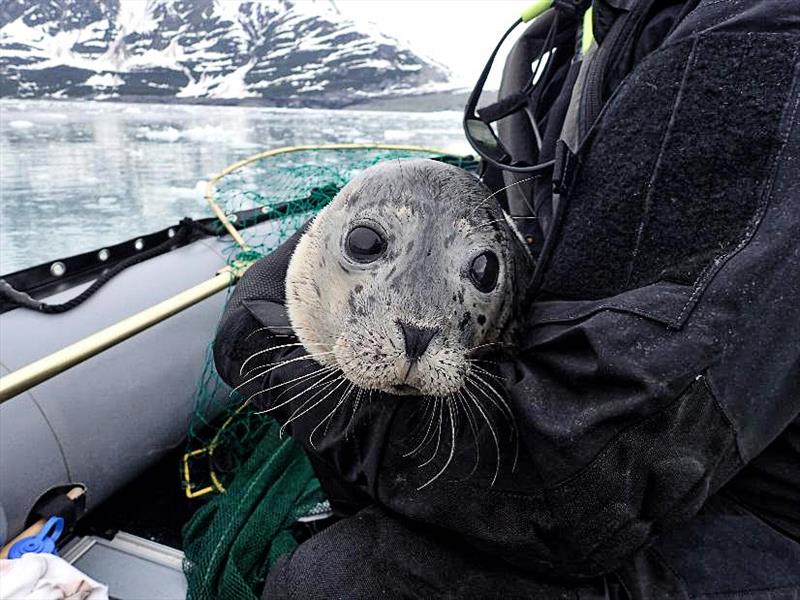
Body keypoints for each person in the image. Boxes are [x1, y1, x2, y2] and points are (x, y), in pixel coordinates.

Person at [213, 0, 800, 597]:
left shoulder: (765, 42)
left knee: (347, 584)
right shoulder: (593, 26)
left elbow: (582, 491)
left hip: (752, 514)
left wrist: (259, 331)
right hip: (613, 439)